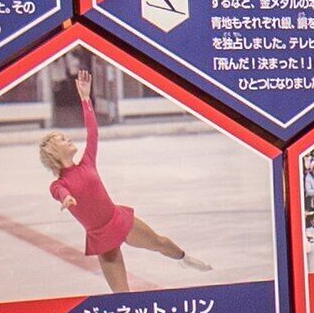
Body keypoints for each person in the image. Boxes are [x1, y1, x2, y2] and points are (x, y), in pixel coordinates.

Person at [40, 55, 209, 294]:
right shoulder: (58, 184)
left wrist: (86, 99)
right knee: (122, 294)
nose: (69, 140)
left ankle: (183, 257)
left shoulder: (87, 162)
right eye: (63, 140)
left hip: (118, 220)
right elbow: (60, 191)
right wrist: (66, 198)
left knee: (159, 242)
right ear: (54, 153)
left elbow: (93, 132)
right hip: (100, 237)